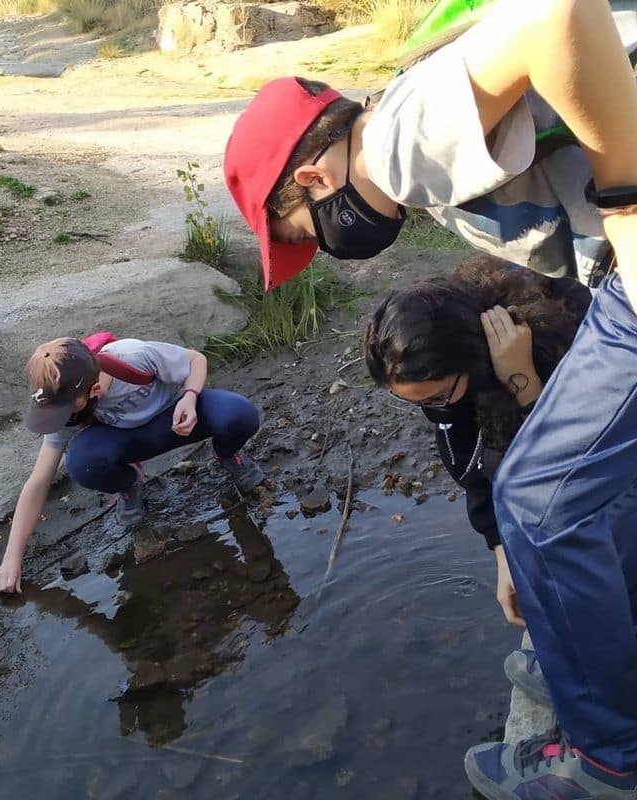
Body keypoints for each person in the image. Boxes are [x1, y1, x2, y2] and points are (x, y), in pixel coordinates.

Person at [224, 1, 637, 797]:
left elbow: (559, 17)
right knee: (563, 499)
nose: (324, 248)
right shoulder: (417, 149)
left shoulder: (392, 144)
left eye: (305, 231)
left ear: (313, 178)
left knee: (542, 498)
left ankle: (612, 763)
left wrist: (629, 204)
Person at [364, 255, 589, 622]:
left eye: (435, 398)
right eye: (412, 401)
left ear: (472, 359)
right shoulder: (450, 390)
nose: (433, 410)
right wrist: (502, 551)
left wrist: (524, 381)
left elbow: (576, 468)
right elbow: (474, 471)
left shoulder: (568, 345)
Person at [0, 335, 264, 596]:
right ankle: (128, 483)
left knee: (240, 415)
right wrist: (11, 559)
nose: (62, 417)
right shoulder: (63, 408)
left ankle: (227, 454)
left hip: (179, 416)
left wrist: (190, 396)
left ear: (94, 389)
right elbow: (39, 480)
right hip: (127, 440)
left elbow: (195, 359)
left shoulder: (133, 356)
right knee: (82, 464)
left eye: (66, 410)